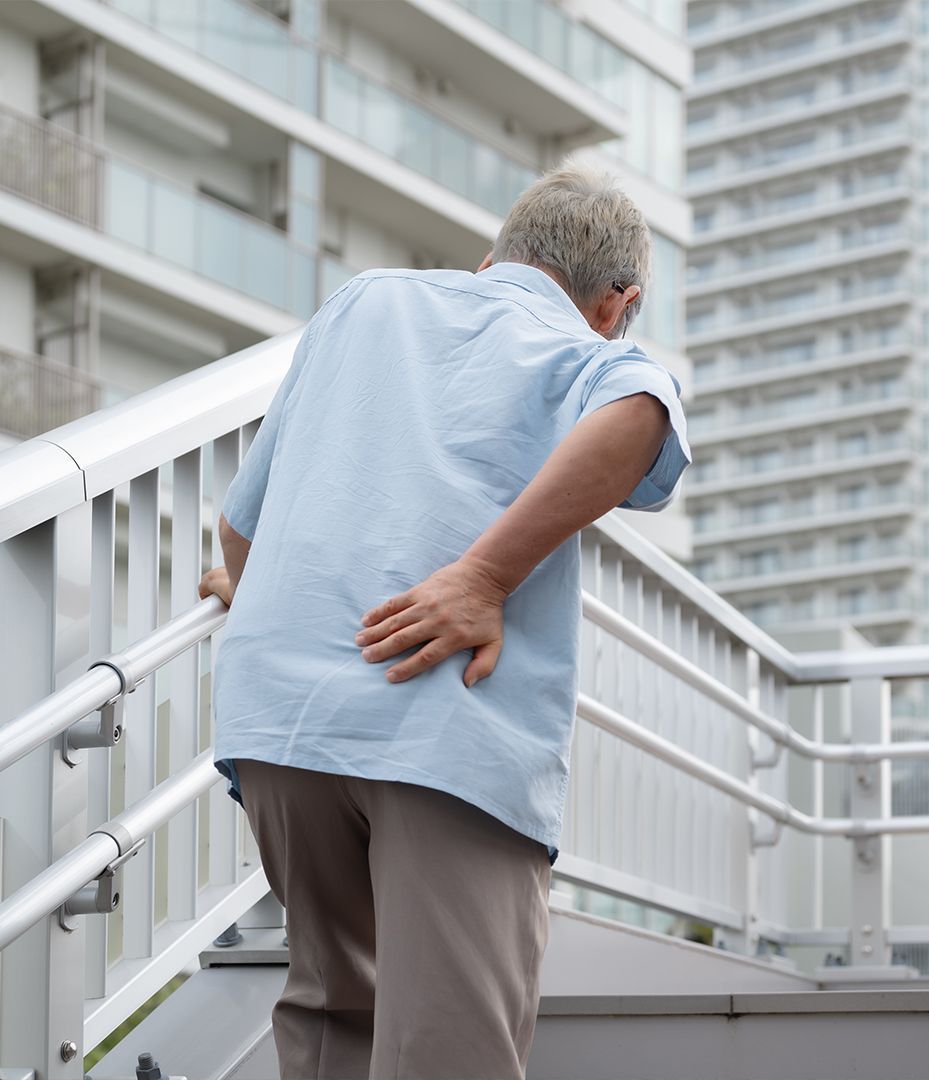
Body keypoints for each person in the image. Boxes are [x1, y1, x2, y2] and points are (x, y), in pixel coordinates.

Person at [197, 163, 691, 1080]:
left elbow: (240, 526)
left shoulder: (363, 304)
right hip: (442, 733)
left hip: (283, 729)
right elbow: (644, 414)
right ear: (616, 303)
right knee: (449, 1053)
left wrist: (256, 589)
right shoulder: (587, 353)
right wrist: (483, 577)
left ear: (491, 257)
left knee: (334, 1021)